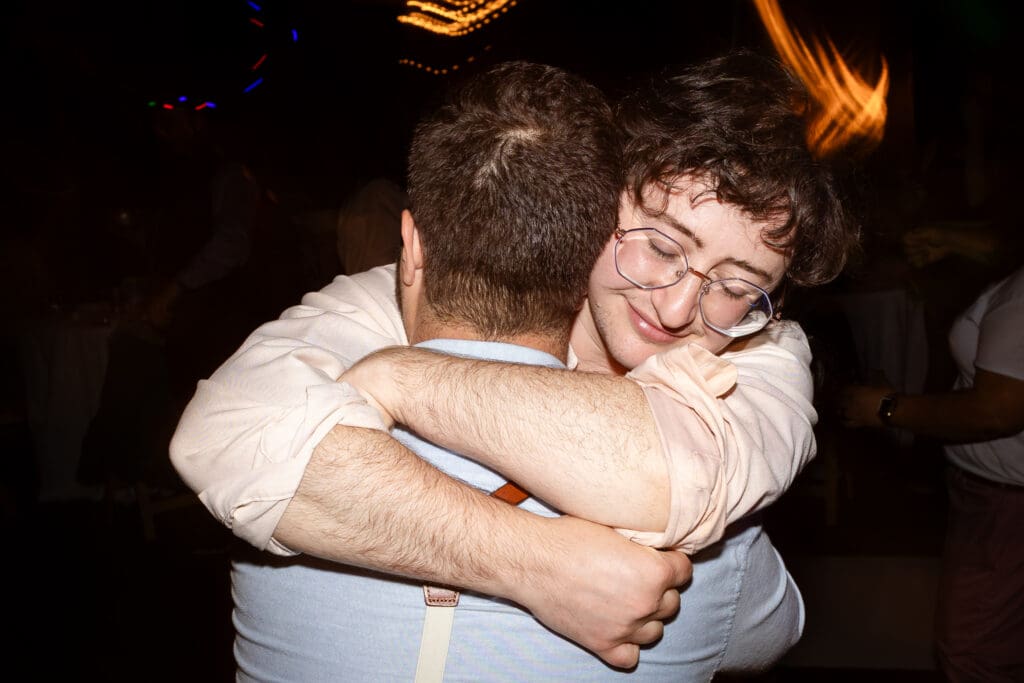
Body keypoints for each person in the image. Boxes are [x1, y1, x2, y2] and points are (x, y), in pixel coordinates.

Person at [171, 51, 858, 671]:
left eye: (736, 285)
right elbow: (222, 435)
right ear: (599, 201)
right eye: (661, 245)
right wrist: (535, 564)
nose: (680, 308)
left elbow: (674, 477)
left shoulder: (766, 351)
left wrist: (397, 375)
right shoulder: (408, 290)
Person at [840, 259, 1024, 681]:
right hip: (997, 498)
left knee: (972, 649)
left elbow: (996, 411)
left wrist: (886, 409)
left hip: (1005, 505)